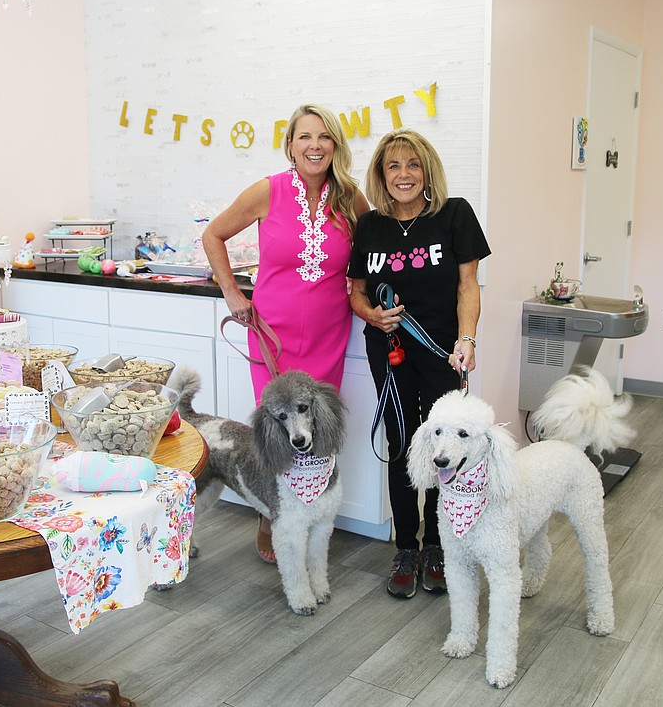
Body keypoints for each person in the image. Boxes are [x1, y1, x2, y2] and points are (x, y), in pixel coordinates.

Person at [203, 104, 370, 563]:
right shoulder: (267, 191)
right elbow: (213, 235)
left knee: (317, 430)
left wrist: (368, 293)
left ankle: (313, 515)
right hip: (270, 336)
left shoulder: (350, 198)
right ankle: (270, 514)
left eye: (324, 137)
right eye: (305, 137)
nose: (315, 146)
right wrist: (232, 293)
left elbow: (372, 249)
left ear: (335, 145)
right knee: (277, 430)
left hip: (328, 336)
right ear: (291, 144)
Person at [348, 128, 491, 597]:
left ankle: (439, 546)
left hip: (442, 352)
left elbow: (468, 285)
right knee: (402, 442)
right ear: (381, 174)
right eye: (393, 165)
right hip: (389, 353)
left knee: (445, 447)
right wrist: (372, 315)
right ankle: (406, 547)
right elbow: (356, 292)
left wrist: (467, 338)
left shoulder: (454, 215)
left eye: (413, 164)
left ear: (427, 171)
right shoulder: (370, 227)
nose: (404, 174)